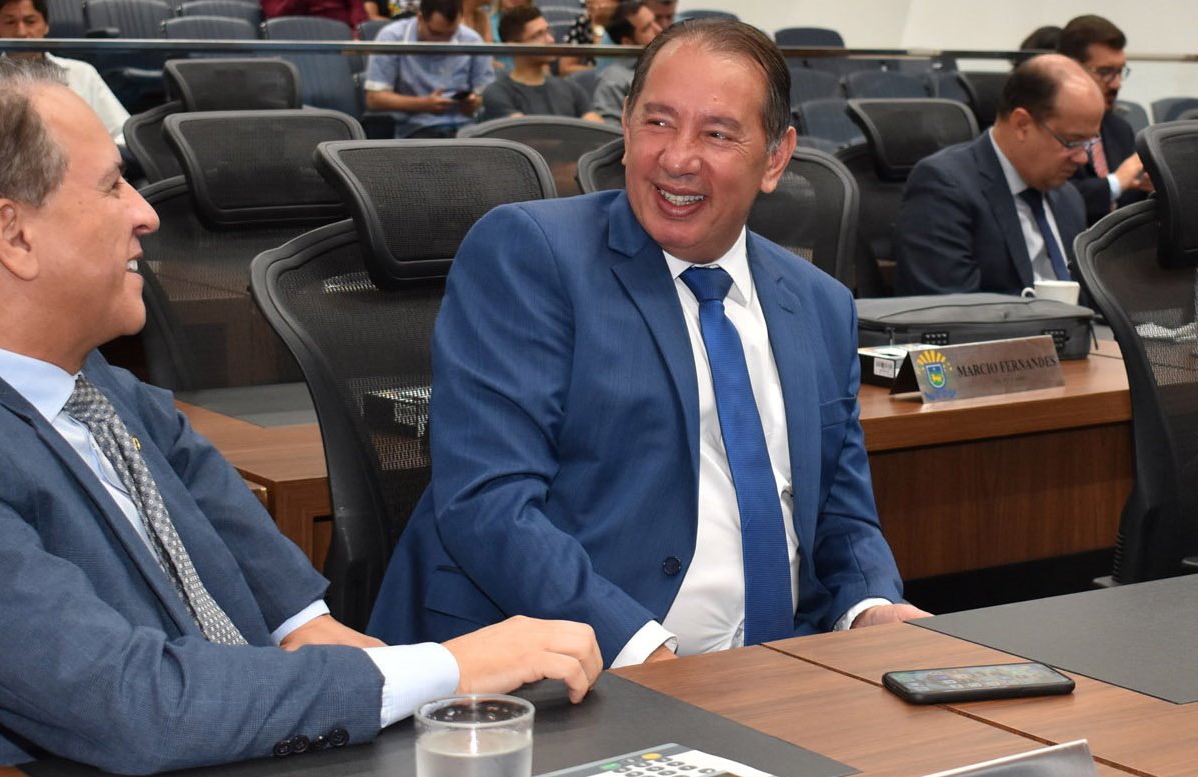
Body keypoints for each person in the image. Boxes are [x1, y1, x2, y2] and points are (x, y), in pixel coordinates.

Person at [0, 57, 602, 777]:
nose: (145, 213)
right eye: (112, 186)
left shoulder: (87, 380)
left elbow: (256, 568)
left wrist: (320, 633)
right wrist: (449, 667)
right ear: (13, 234)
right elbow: (133, 704)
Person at [368, 20, 925, 667]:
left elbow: (840, 516)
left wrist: (872, 605)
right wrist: (641, 652)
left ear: (775, 157)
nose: (677, 157)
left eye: (716, 134)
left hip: (775, 668)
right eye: (657, 122)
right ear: (626, 127)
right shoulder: (531, 253)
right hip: (566, 670)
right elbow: (490, 504)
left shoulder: (820, 303)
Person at [893, 54, 1103, 296]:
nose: (1082, 158)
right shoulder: (944, 187)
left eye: (1089, 143)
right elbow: (951, 307)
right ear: (1022, 124)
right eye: (1072, 142)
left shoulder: (1068, 198)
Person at [1058, 14, 1152, 225]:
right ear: (1070, 69)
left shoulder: (1119, 128)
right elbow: (1055, 199)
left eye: (1120, 71)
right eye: (1106, 72)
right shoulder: (1048, 130)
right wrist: (1116, 182)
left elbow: (1130, 202)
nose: (1117, 84)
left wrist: (1151, 186)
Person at [0, 0, 129, 145]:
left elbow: (122, 133)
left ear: (46, 25)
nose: (21, 32)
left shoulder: (82, 73)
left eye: (30, 21)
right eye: (10, 22)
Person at [363, 0, 494, 137]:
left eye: (451, 34)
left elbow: (486, 93)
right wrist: (422, 104)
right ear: (420, 18)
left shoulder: (471, 40)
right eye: (436, 33)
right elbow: (374, 99)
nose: (444, 42)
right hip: (418, 129)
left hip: (467, 128)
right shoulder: (392, 37)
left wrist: (473, 102)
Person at [481, 4, 603, 120]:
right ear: (514, 46)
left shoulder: (571, 88)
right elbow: (524, 131)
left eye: (548, 31)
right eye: (538, 35)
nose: (550, 40)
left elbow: (597, 128)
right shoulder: (498, 93)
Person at [590, 0, 659, 124]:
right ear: (627, 42)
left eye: (655, 21)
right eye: (646, 28)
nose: (659, 29)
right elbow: (610, 132)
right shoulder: (613, 81)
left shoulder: (675, 63)